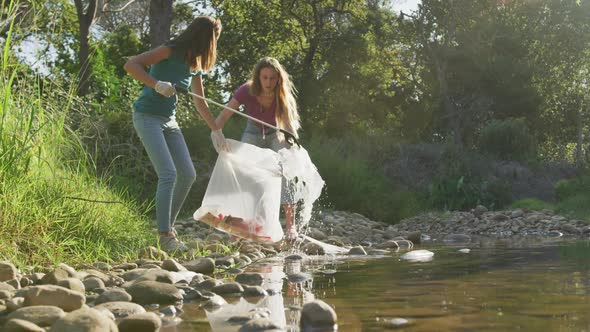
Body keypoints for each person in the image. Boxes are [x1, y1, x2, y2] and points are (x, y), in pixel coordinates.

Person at [124, 16, 229, 252]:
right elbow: (131, 65)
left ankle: (166, 230)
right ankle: (164, 236)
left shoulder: (196, 64)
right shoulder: (169, 50)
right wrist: (156, 84)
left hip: (169, 121)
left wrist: (217, 131)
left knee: (188, 174)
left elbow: (200, 103)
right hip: (146, 116)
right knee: (169, 174)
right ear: (206, 37)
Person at [214, 56, 301, 240]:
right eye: (265, 77)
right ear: (258, 77)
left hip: (275, 132)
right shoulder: (246, 90)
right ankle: (239, 223)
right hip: (253, 130)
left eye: (272, 78)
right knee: (243, 170)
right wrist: (216, 131)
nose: (268, 82)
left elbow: (288, 126)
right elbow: (224, 114)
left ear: (278, 79)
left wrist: (291, 144)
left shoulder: (282, 94)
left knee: (286, 169)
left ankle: (290, 227)